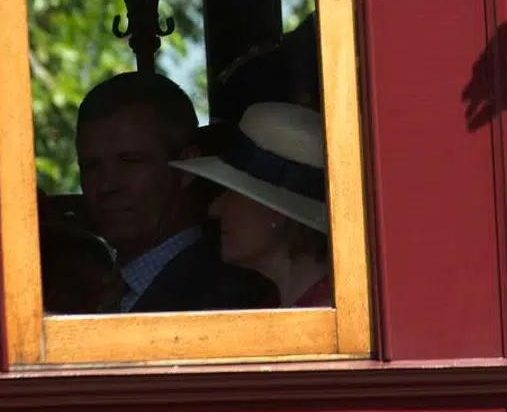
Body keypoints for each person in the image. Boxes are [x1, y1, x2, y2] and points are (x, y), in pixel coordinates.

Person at [75, 72, 277, 312]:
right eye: (91, 167)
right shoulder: (97, 288)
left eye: (130, 162)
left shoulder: (226, 296)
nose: (107, 184)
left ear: (186, 167)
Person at [171, 101, 331, 308]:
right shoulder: (278, 306)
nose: (214, 209)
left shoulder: (324, 318)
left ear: (276, 212)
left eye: (234, 193)